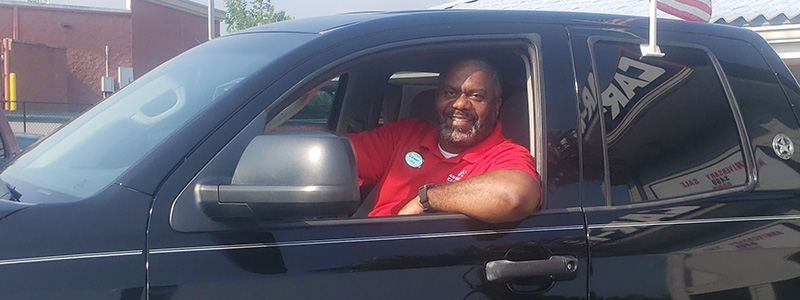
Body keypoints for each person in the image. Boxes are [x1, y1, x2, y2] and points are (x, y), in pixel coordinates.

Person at [347, 58, 541, 223]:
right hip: (369, 254)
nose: (460, 104)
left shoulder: (504, 155)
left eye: (476, 96)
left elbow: (515, 196)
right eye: (450, 93)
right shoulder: (405, 133)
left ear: (495, 105)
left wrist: (427, 198)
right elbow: (336, 153)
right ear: (437, 97)